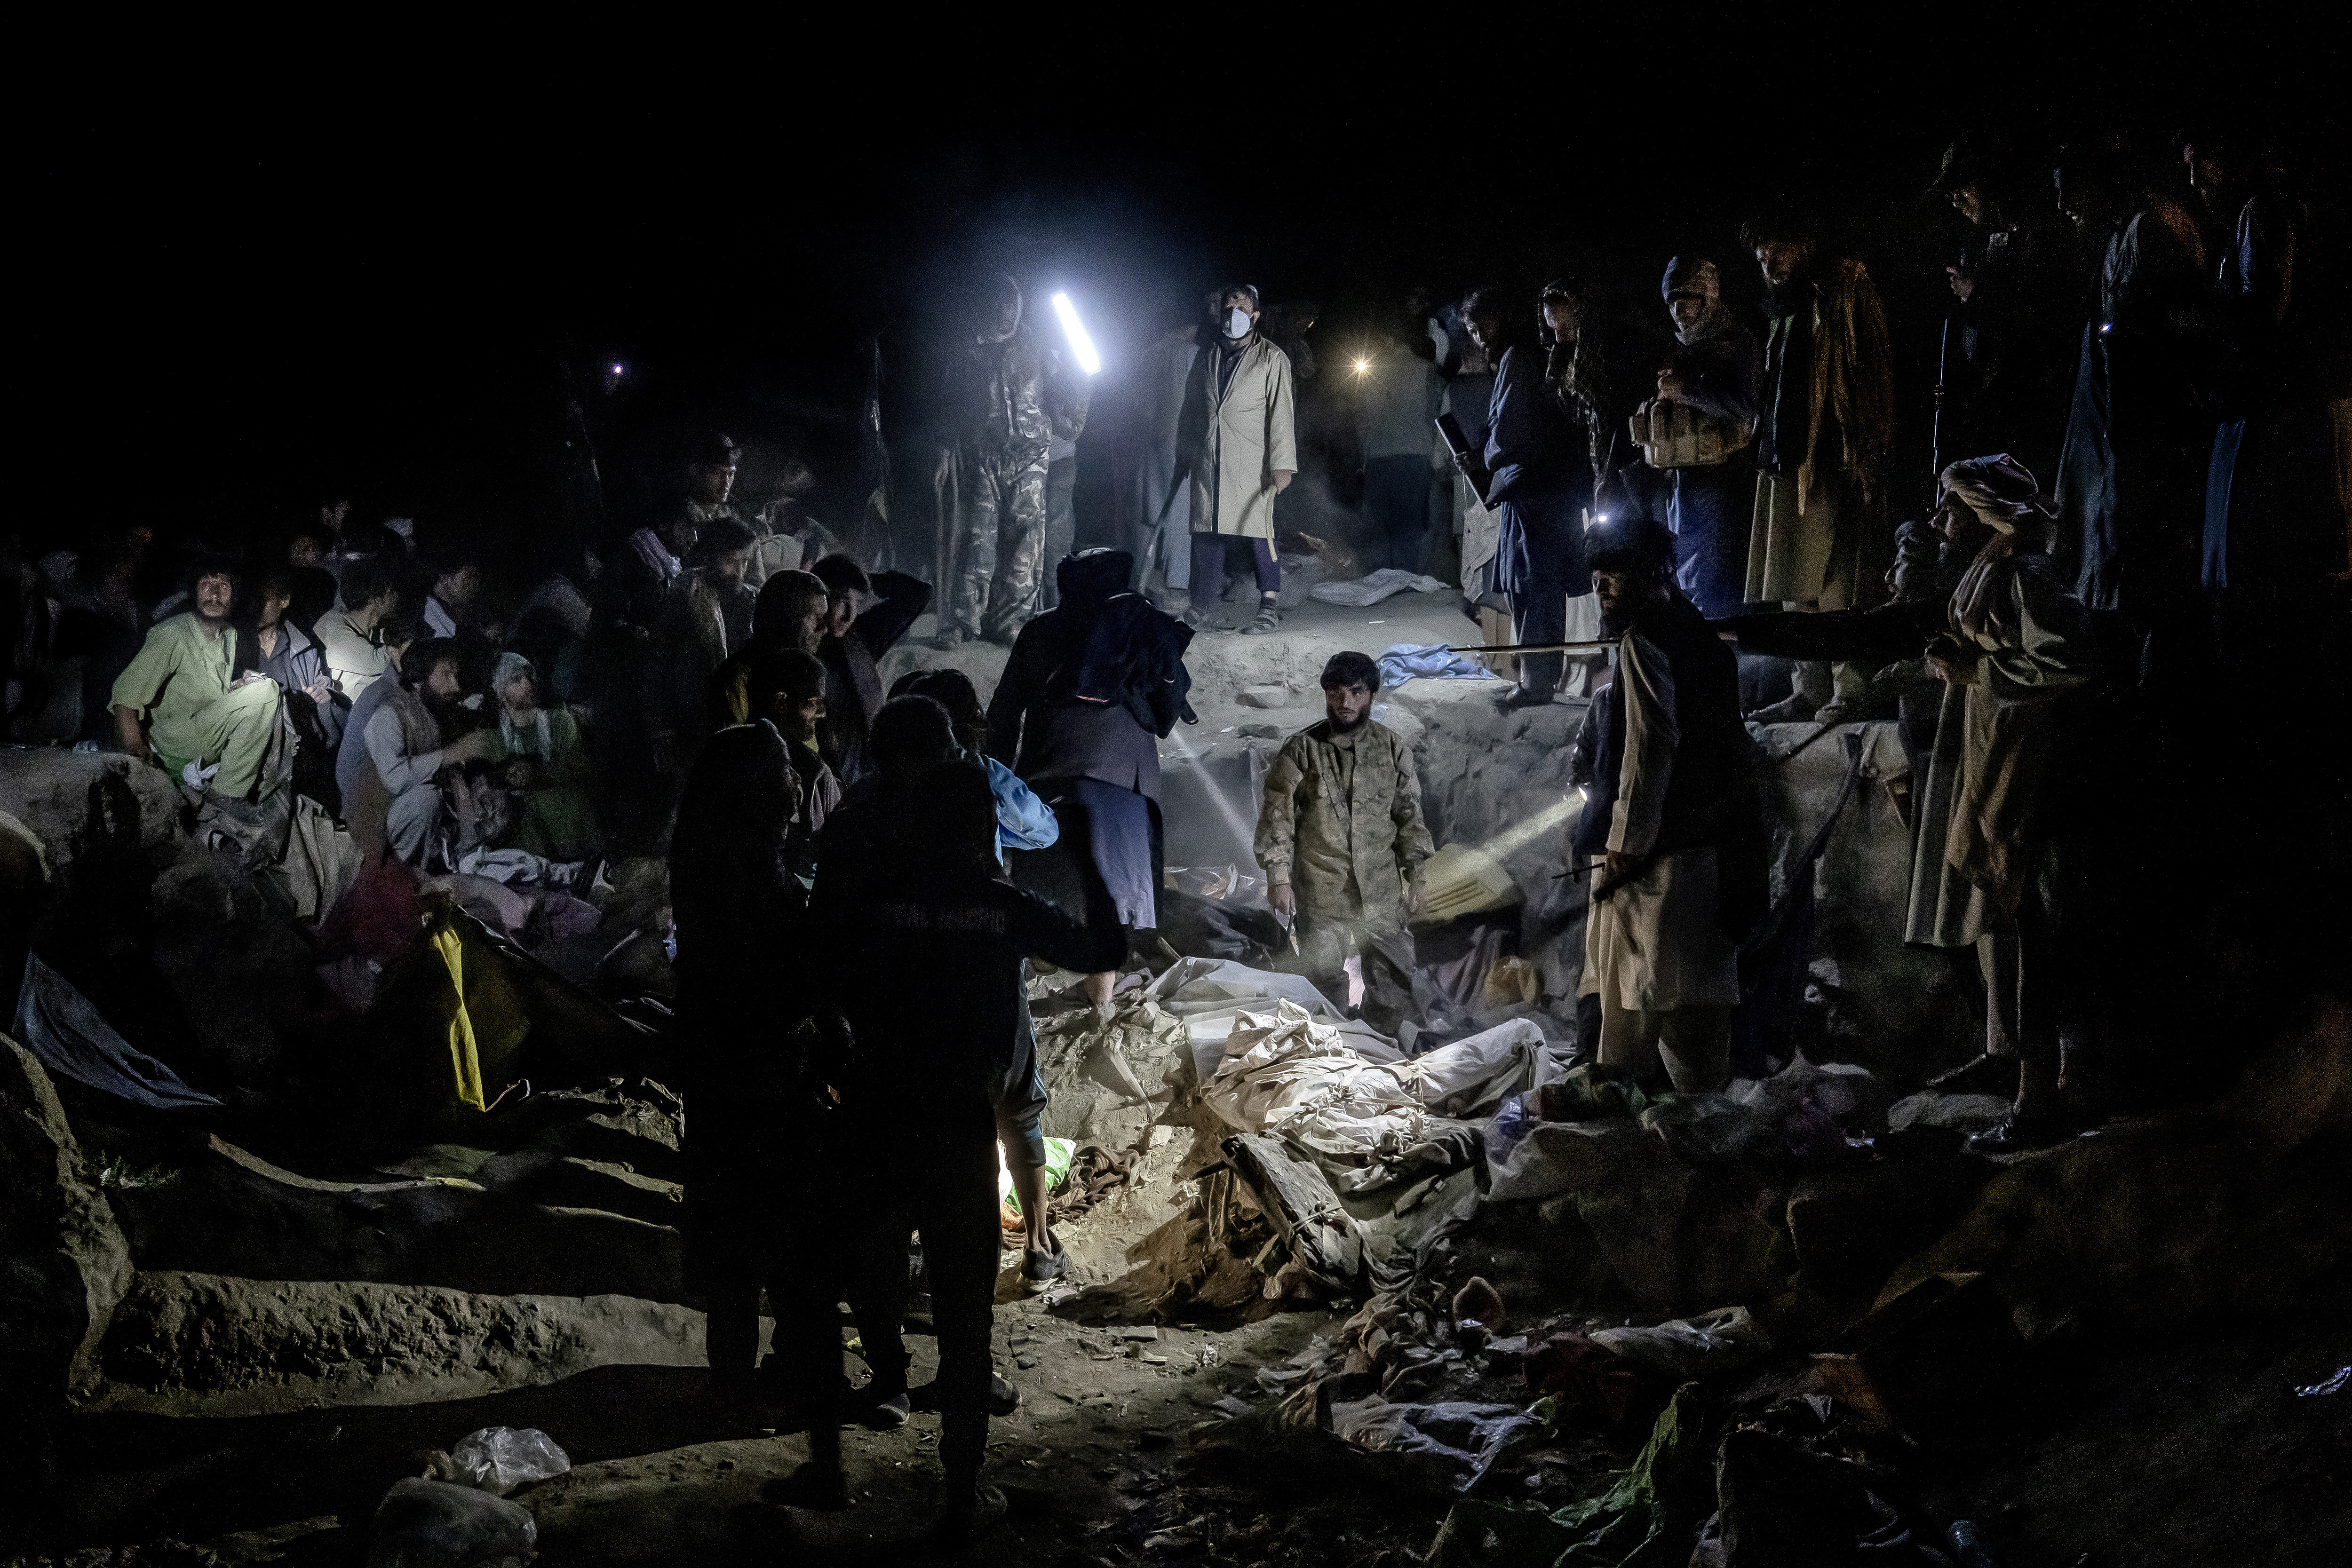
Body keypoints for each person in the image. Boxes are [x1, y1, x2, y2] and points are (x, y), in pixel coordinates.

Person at [815, 711, 1122, 1543]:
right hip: (956, 1122)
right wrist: (1091, 853)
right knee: (963, 1306)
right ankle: (959, 1486)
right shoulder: (997, 902)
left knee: (866, 1272)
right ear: (981, 822)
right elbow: (1103, 942)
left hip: (876, 1110)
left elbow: (817, 974)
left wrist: (840, 1061)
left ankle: (859, 1418)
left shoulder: (876, 898)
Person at [668, 651, 845, 1494]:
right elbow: (798, 988)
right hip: (770, 1088)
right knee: (788, 1243)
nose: (789, 786)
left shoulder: (701, 877)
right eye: (778, 776)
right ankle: (790, 1380)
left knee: (730, 1247)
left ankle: (730, 1378)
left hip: (717, 1088)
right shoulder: (766, 893)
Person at [1572, 517, 1761, 1093]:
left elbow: (1651, 746)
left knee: (1639, 991)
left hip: (1667, 856)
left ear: (1651, 575)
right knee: (1692, 996)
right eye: (1598, 580)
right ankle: (1699, 1116)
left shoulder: (1644, 640)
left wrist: (1624, 844)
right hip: (1711, 846)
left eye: (1612, 580)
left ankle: (1623, 1123)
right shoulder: (1696, 632)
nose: (1602, 591)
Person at [2183, 122, 2352, 671]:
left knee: (2257, 575)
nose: (2193, 180)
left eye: (2201, 163)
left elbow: (2260, 311)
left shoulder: (2263, 211)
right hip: (2273, 414)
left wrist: (2187, 319)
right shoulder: (2256, 215)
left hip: (2276, 419)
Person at [986, 548, 1180, 1009]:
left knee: (1047, 885)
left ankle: (1043, 963)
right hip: (1118, 784)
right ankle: (1101, 1008)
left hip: (1047, 779)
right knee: (1108, 900)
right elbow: (1167, 712)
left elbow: (1003, 713)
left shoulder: (1039, 629)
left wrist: (991, 776)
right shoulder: (1139, 625)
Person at [2049, 137, 2211, 666]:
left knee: (2151, 588)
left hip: (2147, 452)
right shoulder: (2122, 234)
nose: (2062, 204)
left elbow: (2186, 336)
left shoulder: (2152, 229)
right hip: (2118, 451)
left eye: (2069, 189)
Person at [1741, 208, 1896, 721]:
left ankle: (1850, 689)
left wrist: (1867, 453)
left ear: (1804, 241)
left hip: (1833, 457)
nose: (1769, 262)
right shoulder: (1782, 306)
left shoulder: (1847, 292)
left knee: (1840, 581)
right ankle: (1807, 687)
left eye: (1777, 249)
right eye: (1761, 255)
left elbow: (1869, 374)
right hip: (1786, 458)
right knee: (1792, 580)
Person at [1253, 651, 1434, 1032]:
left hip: (1381, 893)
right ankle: (1334, 1054)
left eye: (1355, 692)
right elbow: (1277, 817)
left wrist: (1418, 877)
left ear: (1371, 695)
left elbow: (1410, 819)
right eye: (1336, 693)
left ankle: (1377, 1047)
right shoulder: (1301, 750)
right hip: (1321, 890)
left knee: (1393, 986)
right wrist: (1279, 878)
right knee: (1324, 986)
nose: (1345, 703)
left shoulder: (1393, 750)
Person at [1926, 133, 2075, 480]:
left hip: (2025, 426)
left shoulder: (2042, 239)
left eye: (1963, 188)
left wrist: (1977, 296)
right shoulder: (1985, 244)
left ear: (1990, 181)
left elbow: (2044, 331)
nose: (1956, 201)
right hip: (1987, 421)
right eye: (1951, 193)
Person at [1466, 286, 1588, 708]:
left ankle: (1536, 683)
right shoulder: (1535, 354)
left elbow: (1510, 428)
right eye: (1471, 328)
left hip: (1534, 486)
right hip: (1552, 484)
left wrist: (1485, 459)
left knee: (1531, 583)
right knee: (1539, 583)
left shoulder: (1520, 357)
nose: (1479, 334)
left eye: (1483, 323)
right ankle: (1538, 677)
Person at [942, 275, 1063, 647]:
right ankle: (965, 620)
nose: (1004, 310)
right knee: (977, 536)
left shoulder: (1040, 347)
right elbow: (952, 404)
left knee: (1026, 540)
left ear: (1020, 306)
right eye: (998, 303)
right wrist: (945, 449)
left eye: (1011, 303)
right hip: (985, 456)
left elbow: (1065, 397)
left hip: (1030, 456)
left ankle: (1010, 621)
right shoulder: (969, 350)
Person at [1176, 284, 1298, 635]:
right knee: (1207, 531)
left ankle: (1270, 605)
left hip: (1252, 463)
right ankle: (1201, 605)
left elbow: (1282, 415)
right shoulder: (1207, 356)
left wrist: (1282, 465)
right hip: (1209, 460)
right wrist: (1183, 455)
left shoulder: (1272, 358)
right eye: (1229, 308)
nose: (1234, 314)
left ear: (1255, 317)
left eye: (1242, 308)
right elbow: (1191, 411)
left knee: (1260, 533)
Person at [110, 560, 284, 803]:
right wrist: (134, 747)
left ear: (235, 595)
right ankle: (226, 797)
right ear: (195, 592)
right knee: (268, 690)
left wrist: (235, 690)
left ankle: (225, 797)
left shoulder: (230, 636)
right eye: (206, 585)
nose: (214, 595)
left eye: (223, 586)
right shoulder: (173, 633)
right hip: (175, 741)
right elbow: (125, 697)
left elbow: (207, 689)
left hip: (204, 736)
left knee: (261, 692)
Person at [1647, 257, 1763, 614]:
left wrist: (1686, 391)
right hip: (1685, 481)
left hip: (1726, 480)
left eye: (1689, 297)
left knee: (1715, 584)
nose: (1680, 310)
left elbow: (1747, 406)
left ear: (1709, 297)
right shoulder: (1684, 347)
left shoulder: (1736, 341)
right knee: (1686, 579)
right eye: (1672, 301)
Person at [348, 638, 491, 866]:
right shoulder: (390, 713)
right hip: (376, 824)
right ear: (417, 680)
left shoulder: (435, 715)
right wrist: (450, 755)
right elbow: (395, 779)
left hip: (407, 818)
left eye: (456, 675)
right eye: (445, 676)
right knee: (425, 801)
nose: (455, 686)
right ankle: (401, 877)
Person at [809, 553, 931, 784]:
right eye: (843, 601)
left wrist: (864, 580)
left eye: (859, 604)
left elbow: (919, 594)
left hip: (864, 775)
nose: (850, 615)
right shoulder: (799, 645)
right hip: (822, 779)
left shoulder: (860, 638)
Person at [235, 566, 343, 806]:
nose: (256, 604)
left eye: (264, 597)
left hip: (302, 747)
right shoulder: (235, 645)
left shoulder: (304, 645)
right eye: (253, 597)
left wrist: (325, 692)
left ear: (284, 600)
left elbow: (323, 687)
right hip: (254, 749)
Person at [482, 651, 601, 862]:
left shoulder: (559, 721)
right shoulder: (496, 737)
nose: (528, 684)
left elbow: (581, 769)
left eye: (530, 677)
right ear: (501, 693)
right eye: (517, 680)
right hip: (533, 843)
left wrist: (539, 773)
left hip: (573, 825)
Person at [1354, 319, 1446, 574]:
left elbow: (1363, 419)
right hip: (1416, 457)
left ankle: (1382, 585)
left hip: (1380, 459)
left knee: (1382, 529)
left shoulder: (1370, 374)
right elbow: (1437, 415)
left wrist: (1364, 458)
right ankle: (1405, 582)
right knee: (1410, 528)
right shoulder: (1427, 371)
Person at [707, 569, 832, 731]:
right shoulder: (738, 681)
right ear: (784, 619)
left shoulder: (802, 677)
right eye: (815, 617)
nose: (824, 628)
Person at [1133, 309, 1202, 588]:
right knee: (1179, 516)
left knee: (1149, 514)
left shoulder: (1150, 353)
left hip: (1148, 442)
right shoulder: (1191, 353)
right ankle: (1177, 586)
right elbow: (1200, 403)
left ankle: (1139, 582)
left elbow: (1137, 402)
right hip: (1178, 443)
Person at [1039, 338, 1096, 610]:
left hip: (1059, 461)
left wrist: (1051, 401)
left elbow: (1073, 429)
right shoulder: (1028, 356)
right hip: (1022, 460)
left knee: (1057, 529)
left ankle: (1055, 597)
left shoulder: (1078, 373)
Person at [314, 554, 403, 702]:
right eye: (392, 593)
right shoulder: (330, 625)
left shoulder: (374, 626)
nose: (397, 598)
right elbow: (378, 663)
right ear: (376, 600)